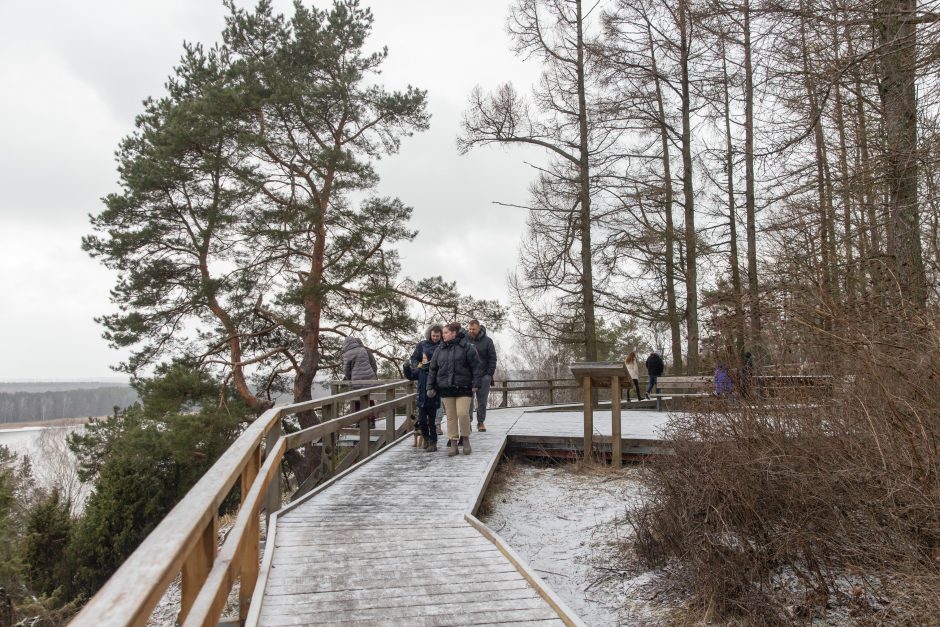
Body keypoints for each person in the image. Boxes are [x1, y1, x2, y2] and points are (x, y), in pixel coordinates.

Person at [427, 322, 483, 456]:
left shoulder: (467, 348)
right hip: (446, 388)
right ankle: (453, 443)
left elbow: (476, 367)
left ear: (453, 333)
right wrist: (430, 386)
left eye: (445, 332)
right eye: (443, 333)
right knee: (451, 417)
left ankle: (466, 439)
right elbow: (433, 369)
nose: (443, 335)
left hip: (464, 387)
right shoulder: (439, 350)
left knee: (463, 413)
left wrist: (476, 383)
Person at [409, 325, 443, 452]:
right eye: (433, 336)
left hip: (435, 383)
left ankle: (433, 442)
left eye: (437, 336)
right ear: (429, 334)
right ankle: (426, 439)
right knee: (422, 421)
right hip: (422, 381)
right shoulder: (421, 345)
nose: (435, 338)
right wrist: (417, 366)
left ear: (440, 336)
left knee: (432, 420)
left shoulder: (442, 346)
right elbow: (414, 358)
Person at [466, 319, 497, 432]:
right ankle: (467, 422)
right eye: (469, 329)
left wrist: (489, 374)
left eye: (473, 329)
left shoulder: (488, 341)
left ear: (479, 328)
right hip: (469, 376)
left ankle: (480, 422)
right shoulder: (465, 340)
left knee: (482, 401)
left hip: (484, 375)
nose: (471, 331)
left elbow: (492, 358)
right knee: (468, 400)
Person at [343, 336, 377, 424]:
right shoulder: (363, 350)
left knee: (357, 401)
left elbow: (347, 370)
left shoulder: (347, 354)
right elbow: (372, 365)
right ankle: (372, 421)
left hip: (356, 380)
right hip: (369, 378)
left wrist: (349, 379)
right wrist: (373, 376)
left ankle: (358, 422)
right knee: (370, 399)